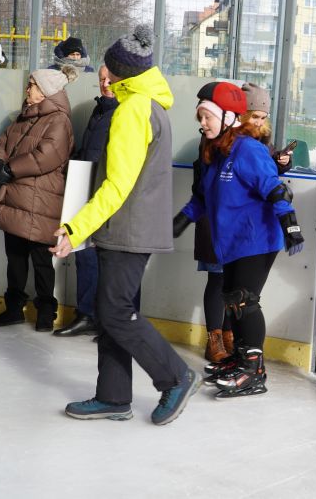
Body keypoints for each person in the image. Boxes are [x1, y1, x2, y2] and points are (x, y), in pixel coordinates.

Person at [50, 24, 199, 425]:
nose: (103, 75)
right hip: (132, 226)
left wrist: (74, 229)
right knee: (114, 309)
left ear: (119, 71)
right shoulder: (150, 103)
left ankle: (176, 376)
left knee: (114, 311)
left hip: (128, 228)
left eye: (107, 69)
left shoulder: (133, 110)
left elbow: (117, 185)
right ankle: (114, 396)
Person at [173, 81, 305, 398]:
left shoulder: (249, 149)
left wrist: (290, 223)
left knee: (244, 301)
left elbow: (273, 187)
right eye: (200, 117)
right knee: (231, 300)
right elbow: (201, 197)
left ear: (229, 117)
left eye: (207, 117)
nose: (202, 123)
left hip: (256, 238)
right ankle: (240, 359)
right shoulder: (215, 152)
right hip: (230, 241)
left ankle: (254, 371)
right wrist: (178, 222)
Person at [0, 66, 78, 331]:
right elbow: (1, 143)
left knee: (40, 260)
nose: (28, 89)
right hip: (16, 197)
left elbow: (47, 155)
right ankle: (13, 308)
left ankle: (46, 312)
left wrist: (9, 170)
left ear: (46, 91)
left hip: (41, 201)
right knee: (14, 257)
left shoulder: (59, 121)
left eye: (33, 85)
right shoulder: (24, 116)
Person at [52, 65, 119, 337]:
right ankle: (87, 313)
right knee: (85, 256)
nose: (104, 84)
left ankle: (111, 321)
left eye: (110, 80)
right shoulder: (99, 109)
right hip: (87, 193)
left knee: (112, 262)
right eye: (101, 79)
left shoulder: (124, 112)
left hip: (108, 197)